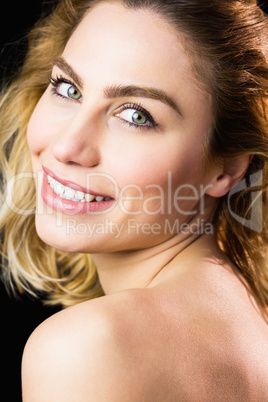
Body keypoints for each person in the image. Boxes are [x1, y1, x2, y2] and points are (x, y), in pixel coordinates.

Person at [0, 0, 268, 399]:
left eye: (135, 116)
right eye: (68, 88)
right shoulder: (250, 322)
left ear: (226, 168)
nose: (67, 146)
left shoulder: (90, 347)